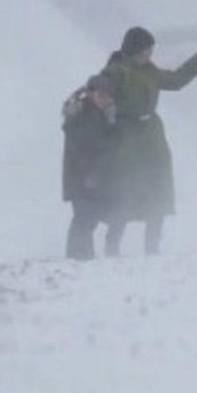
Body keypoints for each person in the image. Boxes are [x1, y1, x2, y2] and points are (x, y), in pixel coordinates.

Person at [101, 26, 197, 256]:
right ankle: (112, 247)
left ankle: (152, 247)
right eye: (145, 50)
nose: (149, 54)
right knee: (125, 191)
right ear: (133, 49)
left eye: (150, 50)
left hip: (151, 137)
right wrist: (109, 115)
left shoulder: (150, 71)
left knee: (157, 191)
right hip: (126, 137)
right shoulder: (117, 71)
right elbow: (101, 95)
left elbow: (175, 80)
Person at [62, 74, 119, 261]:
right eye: (102, 95)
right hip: (82, 175)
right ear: (91, 94)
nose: (106, 99)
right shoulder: (82, 115)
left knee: (89, 218)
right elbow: (86, 147)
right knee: (84, 218)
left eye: (109, 96)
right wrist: (90, 174)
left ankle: (82, 257)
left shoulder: (98, 113)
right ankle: (77, 257)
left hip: (93, 175)